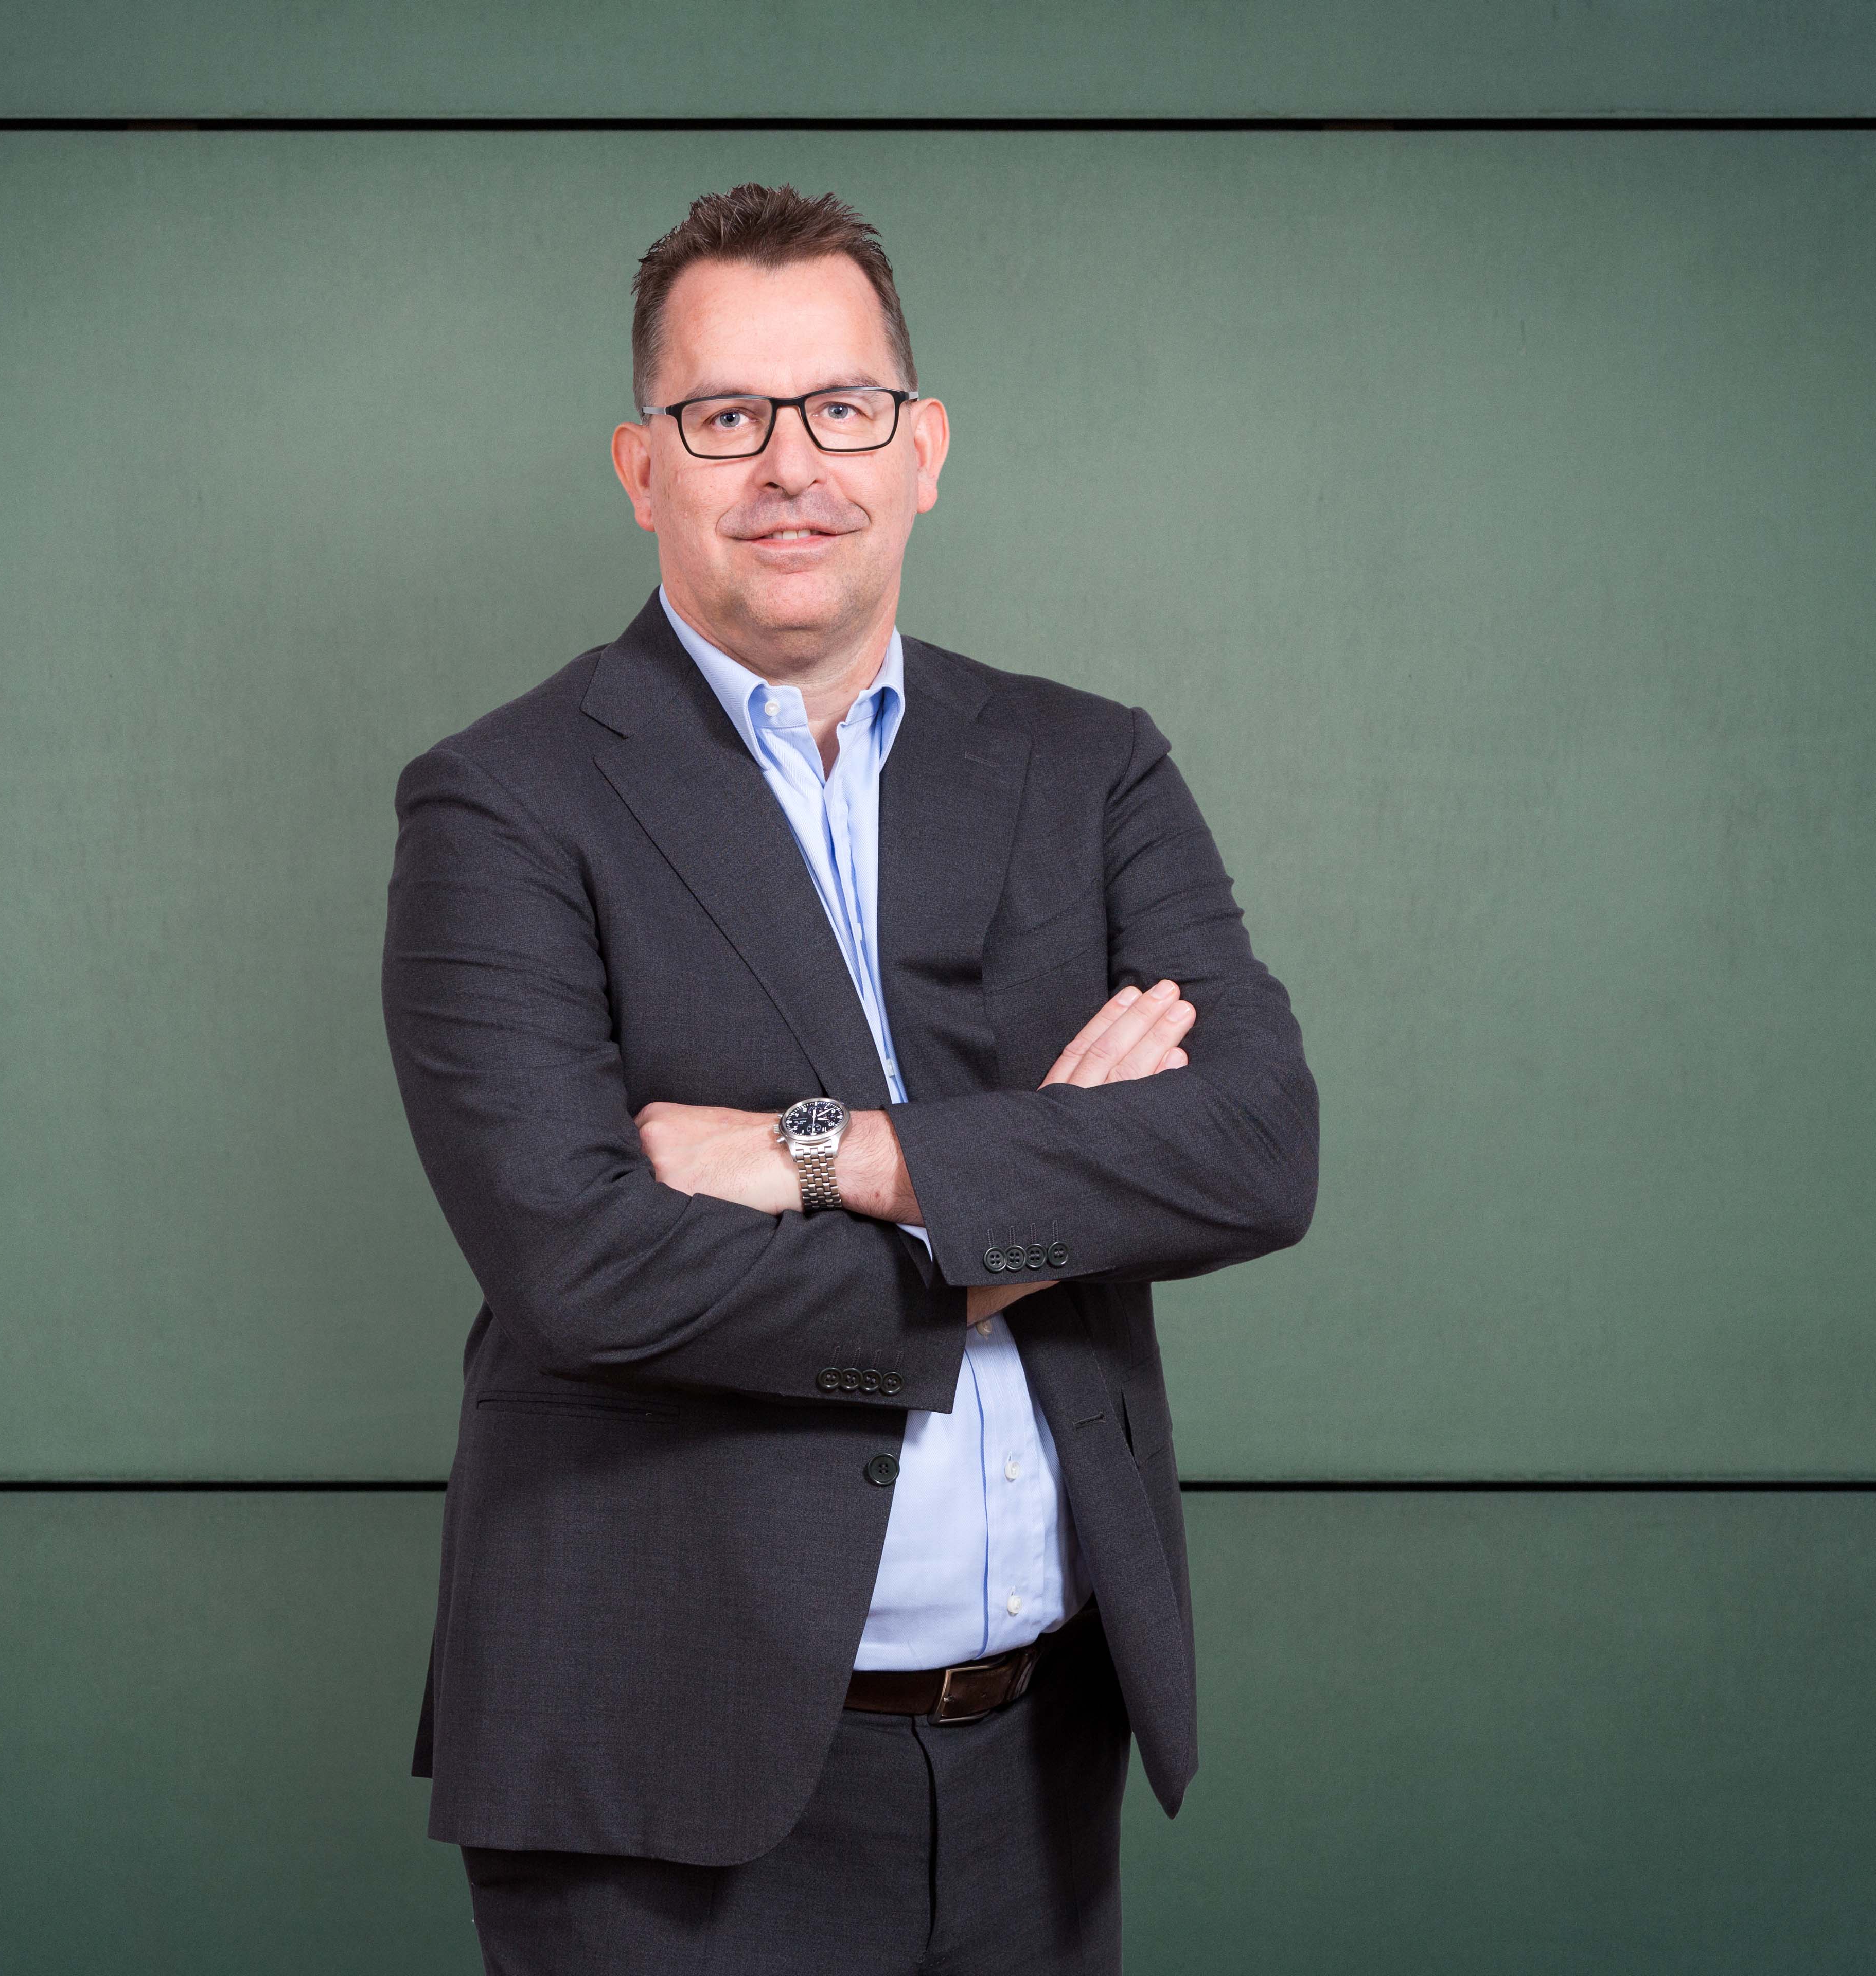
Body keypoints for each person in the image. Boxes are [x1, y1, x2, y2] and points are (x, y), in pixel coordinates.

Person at [381, 182, 1318, 1974]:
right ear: (641, 468)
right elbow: (590, 1268)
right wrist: (1061, 1182)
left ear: (924, 448)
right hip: (658, 1780)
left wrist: (830, 1157)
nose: (791, 464)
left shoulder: (1090, 766)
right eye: (725, 417)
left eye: (842, 407)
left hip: (1043, 1752)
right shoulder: (501, 805)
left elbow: (1260, 1148)